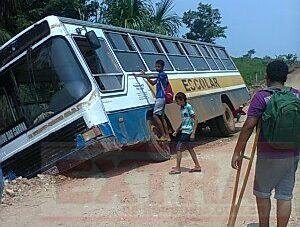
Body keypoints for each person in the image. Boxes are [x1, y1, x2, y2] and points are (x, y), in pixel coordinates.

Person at [231, 60, 300, 227]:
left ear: (267, 76)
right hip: (292, 153)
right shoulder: (297, 95)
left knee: (263, 194)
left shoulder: (262, 97)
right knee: (285, 195)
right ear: (285, 77)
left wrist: (238, 151)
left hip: (268, 154)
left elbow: (248, 126)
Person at [169, 92, 201, 174]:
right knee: (190, 149)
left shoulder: (188, 107)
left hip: (188, 131)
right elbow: (184, 121)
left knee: (178, 148)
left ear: (182, 100)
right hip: (184, 130)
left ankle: (178, 168)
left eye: (178, 101)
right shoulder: (182, 108)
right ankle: (197, 166)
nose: (177, 103)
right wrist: (177, 130)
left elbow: (195, 119)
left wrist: (193, 132)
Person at [141, 60, 170, 141]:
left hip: (161, 97)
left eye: (158, 66)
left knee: (155, 115)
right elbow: (153, 83)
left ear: (162, 67)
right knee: (162, 117)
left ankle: (164, 134)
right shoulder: (160, 76)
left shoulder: (162, 74)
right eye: (156, 66)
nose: (157, 68)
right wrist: (146, 78)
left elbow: (154, 76)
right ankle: (167, 135)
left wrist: (144, 75)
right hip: (161, 97)